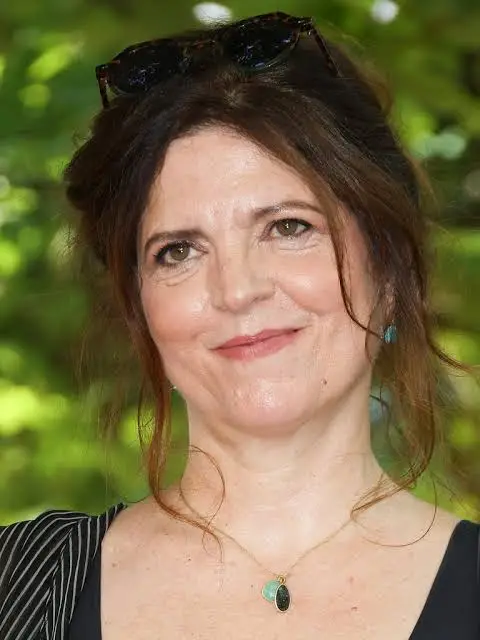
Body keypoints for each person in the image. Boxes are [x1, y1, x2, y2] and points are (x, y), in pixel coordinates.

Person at [0, 10, 478, 640]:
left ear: (389, 271)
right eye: (178, 251)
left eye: (288, 227)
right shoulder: (16, 586)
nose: (236, 290)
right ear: (139, 309)